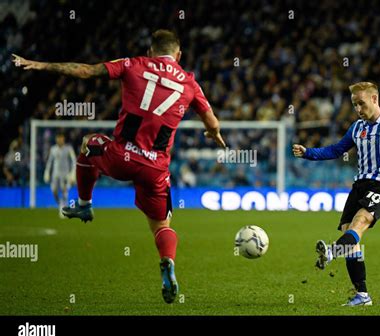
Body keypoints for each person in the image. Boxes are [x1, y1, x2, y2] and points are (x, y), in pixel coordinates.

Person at [13, 29, 226, 304]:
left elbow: (86, 72)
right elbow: (212, 122)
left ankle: (84, 203)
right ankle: (168, 262)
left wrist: (42, 65)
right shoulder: (190, 83)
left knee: (89, 142)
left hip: (121, 156)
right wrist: (214, 135)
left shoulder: (133, 64)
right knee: (161, 225)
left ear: (151, 51)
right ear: (179, 55)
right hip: (155, 168)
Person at [293, 82, 380, 306]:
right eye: (354, 105)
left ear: (374, 99)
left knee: (359, 223)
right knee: (348, 234)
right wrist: (308, 153)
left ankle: (332, 252)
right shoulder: (357, 127)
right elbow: (336, 150)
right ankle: (362, 295)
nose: (358, 109)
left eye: (361, 103)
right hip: (360, 184)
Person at [43, 132, 76, 218]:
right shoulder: (53, 149)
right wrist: (47, 172)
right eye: (58, 139)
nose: (60, 140)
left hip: (65, 174)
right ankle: (60, 205)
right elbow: (50, 162)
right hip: (55, 175)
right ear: (56, 139)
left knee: (64, 191)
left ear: (63, 139)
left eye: (61, 139)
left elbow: (74, 161)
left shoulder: (68, 148)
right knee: (54, 191)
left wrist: (72, 174)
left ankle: (63, 208)